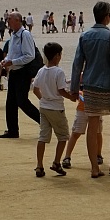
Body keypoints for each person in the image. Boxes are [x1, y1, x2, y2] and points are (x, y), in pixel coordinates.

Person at [70, 1, 110, 178]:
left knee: (93, 126)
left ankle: (94, 168)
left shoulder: (85, 35)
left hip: (90, 86)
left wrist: (74, 88)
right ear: (107, 16)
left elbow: (77, 64)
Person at [32, 42, 73, 178]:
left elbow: (35, 88)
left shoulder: (41, 70)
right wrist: (72, 97)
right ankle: (56, 162)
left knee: (43, 137)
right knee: (63, 136)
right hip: (56, 108)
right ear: (57, 56)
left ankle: (39, 165)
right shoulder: (58, 72)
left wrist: (43, 98)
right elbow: (61, 90)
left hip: (44, 107)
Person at [0, 11, 42, 138]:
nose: (8, 21)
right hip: (14, 72)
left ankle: (44, 123)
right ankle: (12, 130)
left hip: (23, 72)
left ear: (18, 20)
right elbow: (12, 54)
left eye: (10, 19)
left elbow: (29, 55)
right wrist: (5, 62)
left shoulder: (25, 34)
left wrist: (13, 62)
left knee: (22, 101)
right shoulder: (13, 36)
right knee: (10, 102)